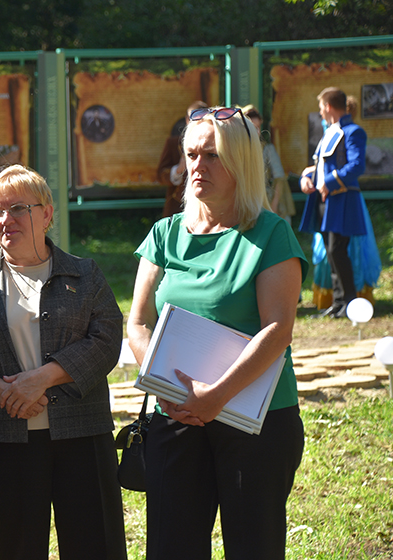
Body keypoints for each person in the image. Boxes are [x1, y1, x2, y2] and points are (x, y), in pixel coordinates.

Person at [127, 106, 308, 560]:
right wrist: (167, 388)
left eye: (212, 155)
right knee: (171, 548)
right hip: (176, 414)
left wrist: (217, 396)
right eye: (191, 154)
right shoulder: (164, 234)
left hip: (256, 421)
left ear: (241, 162)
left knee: (253, 547)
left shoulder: (271, 235)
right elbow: (138, 322)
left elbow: (278, 330)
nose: (197, 166)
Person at [0, 165, 128, 560]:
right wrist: (2, 391)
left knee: (97, 545)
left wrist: (42, 379)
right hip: (8, 442)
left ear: (47, 214)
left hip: (83, 435)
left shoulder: (85, 274)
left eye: (18, 209)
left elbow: (106, 339)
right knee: (16, 550)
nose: (6, 220)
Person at [307, 94, 381, 311]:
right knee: (331, 252)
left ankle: (348, 301)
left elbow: (357, 165)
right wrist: (306, 177)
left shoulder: (353, 131)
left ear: (329, 106)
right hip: (325, 200)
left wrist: (329, 182)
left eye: (321, 106)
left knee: (337, 250)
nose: (320, 111)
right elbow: (321, 166)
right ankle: (338, 302)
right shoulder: (329, 132)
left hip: (342, 199)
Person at [242, 104, 295, 221]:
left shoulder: (267, 149)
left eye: (258, 127)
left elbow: (280, 179)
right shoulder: (237, 150)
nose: (257, 131)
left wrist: (273, 207)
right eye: (252, 127)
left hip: (266, 202)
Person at [158, 100, 207, 217]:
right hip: (177, 207)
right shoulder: (173, 143)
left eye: (201, 119)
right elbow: (160, 175)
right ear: (186, 120)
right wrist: (177, 170)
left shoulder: (216, 145)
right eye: (193, 119)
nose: (197, 123)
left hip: (206, 206)